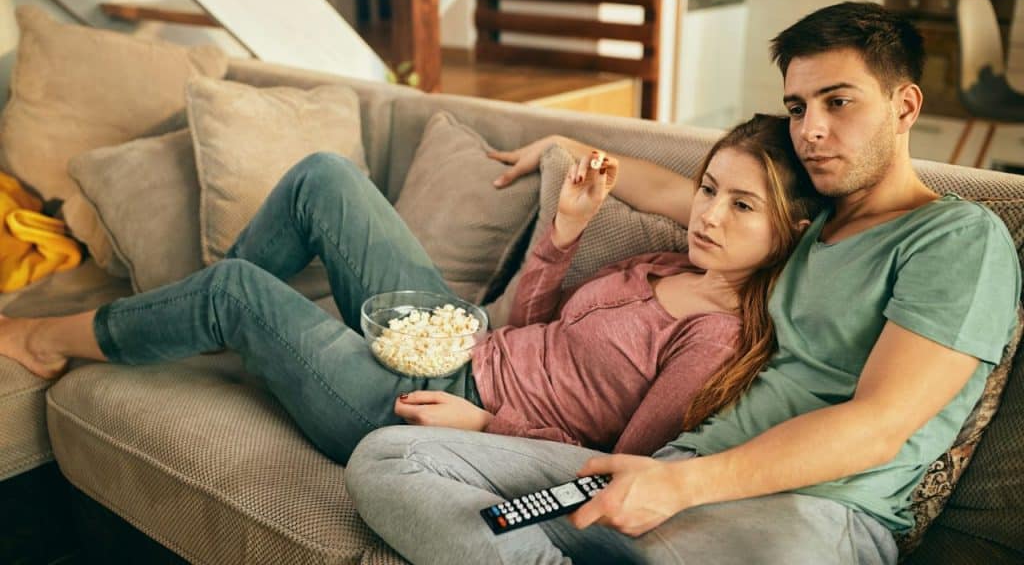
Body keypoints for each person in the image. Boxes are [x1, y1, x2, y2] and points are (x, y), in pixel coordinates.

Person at [343, 1, 1021, 565]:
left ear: (905, 105)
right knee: (389, 461)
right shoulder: (799, 226)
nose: (811, 130)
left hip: (806, 514)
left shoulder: (956, 239)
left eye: (838, 102)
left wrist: (681, 485)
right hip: (664, 475)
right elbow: (670, 189)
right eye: (797, 106)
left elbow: (877, 427)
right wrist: (558, 146)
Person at [0, 113, 822, 464]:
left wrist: (483, 423)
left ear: (788, 230)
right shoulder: (672, 263)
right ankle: (199, 322)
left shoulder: (713, 340)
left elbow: (620, 467)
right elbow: (529, 325)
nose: (707, 215)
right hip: (459, 337)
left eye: (740, 205)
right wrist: (563, 234)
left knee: (236, 291)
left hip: (430, 408)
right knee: (325, 176)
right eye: (708, 189)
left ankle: (45, 339)